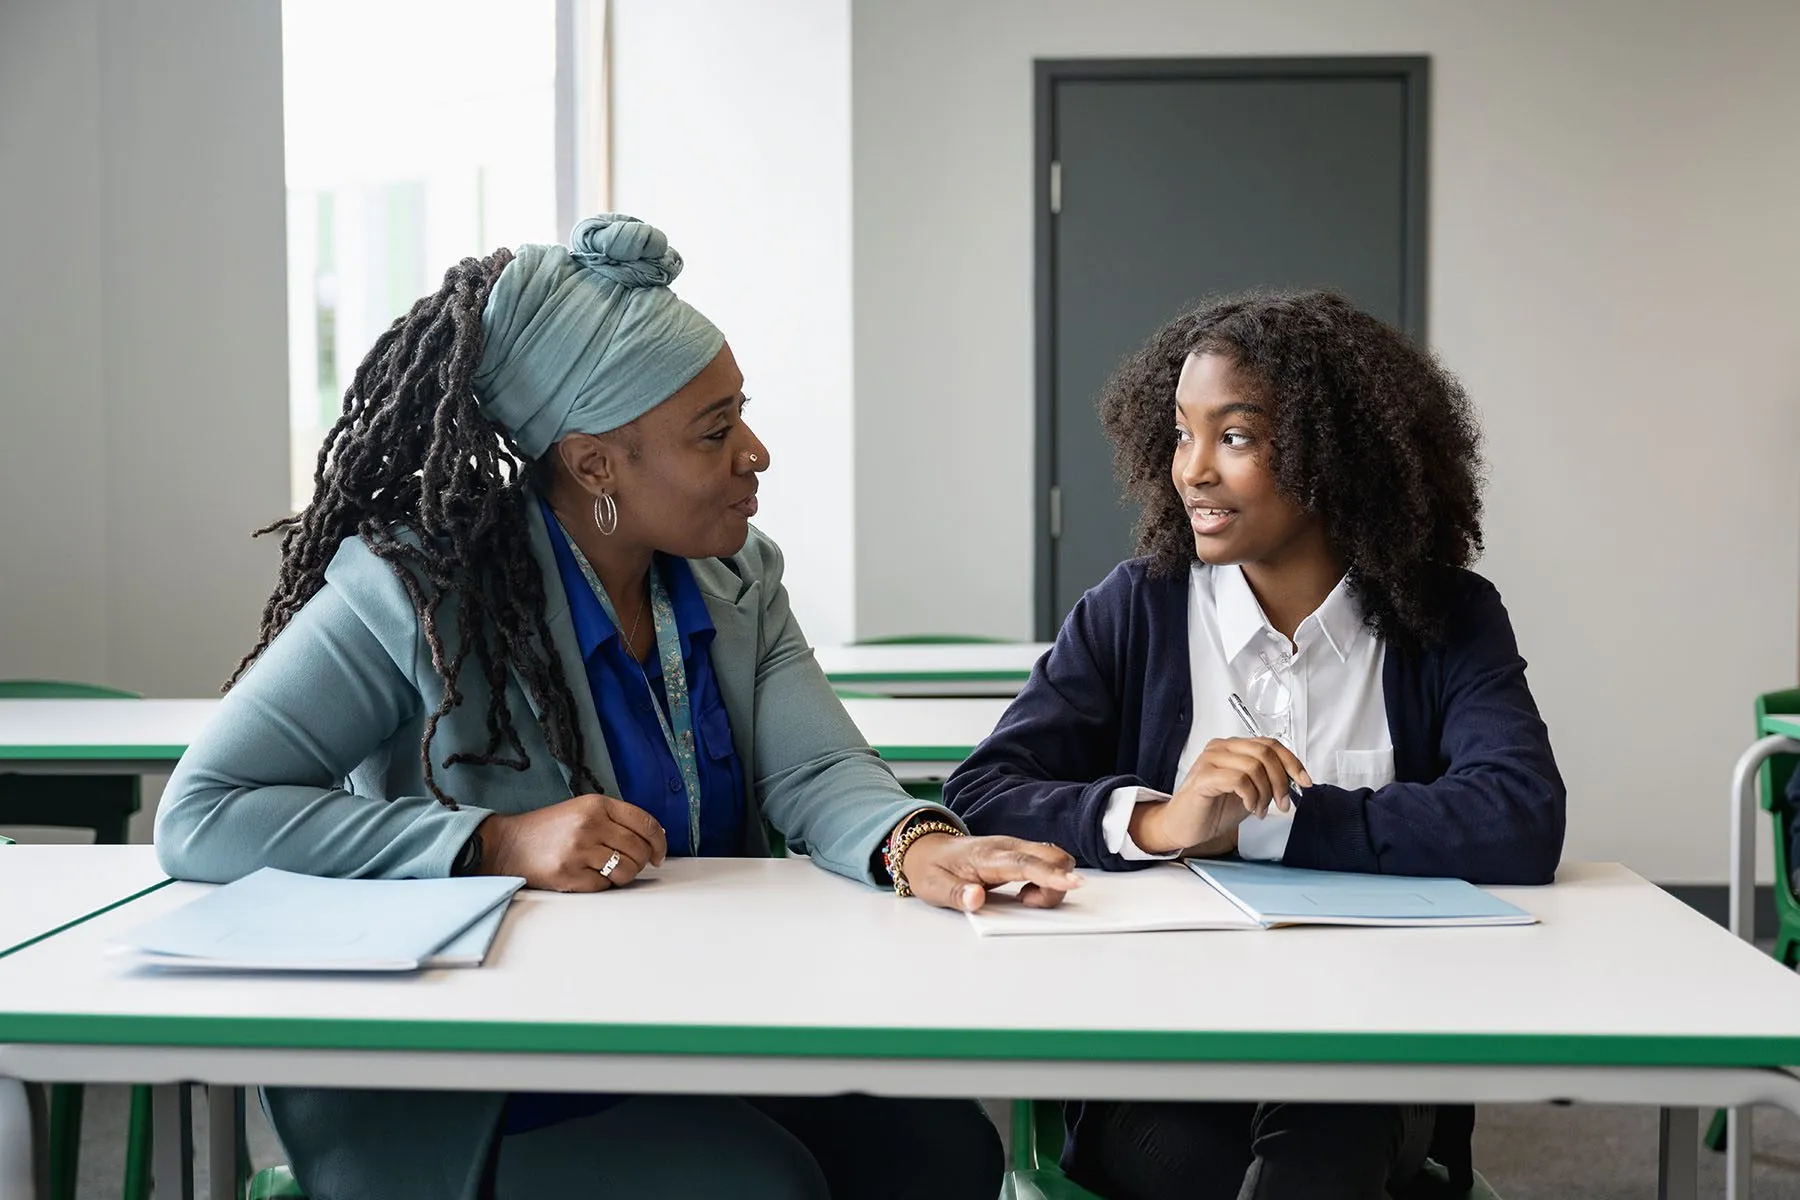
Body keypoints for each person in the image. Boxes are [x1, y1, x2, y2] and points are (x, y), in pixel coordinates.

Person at [155, 215, 1082, 1200]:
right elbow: (205, 812)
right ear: (597, 464)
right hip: (474, 1071)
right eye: (714, 432)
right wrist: (494, 844)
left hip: (688, 1024)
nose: (755, 452)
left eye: (743, 415)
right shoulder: (416, 590)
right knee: (757, 1189)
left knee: (942, 1154)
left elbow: (815, 767)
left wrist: (918, 843)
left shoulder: (734, 577)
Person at [943, 290, 1566, 1200]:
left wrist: (1260, 829)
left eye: (1234, 437)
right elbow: (984, 792)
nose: (1193, 470)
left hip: (1377, 1056)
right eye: (1182, 434)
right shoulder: (1136, 609)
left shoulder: (1448, 617)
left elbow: (1518, 817)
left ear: (1336, 455)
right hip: (1158, 1063)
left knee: (1332, 1115)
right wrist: (1160, 820)